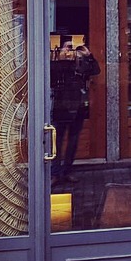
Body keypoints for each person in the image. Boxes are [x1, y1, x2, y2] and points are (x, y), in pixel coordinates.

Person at [50, 38, 101, 180]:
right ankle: (55, 173)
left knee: (73, 141)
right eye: (68, 47)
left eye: (73, 47)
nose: (71, 50)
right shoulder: (58, 62)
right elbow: (51, 75)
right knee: (56, 142)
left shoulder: (81, 63)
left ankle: (67, 171)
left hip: (77, 107)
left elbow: (96, 71)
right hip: (60, 108)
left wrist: (88, 55)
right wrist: (61, 56)